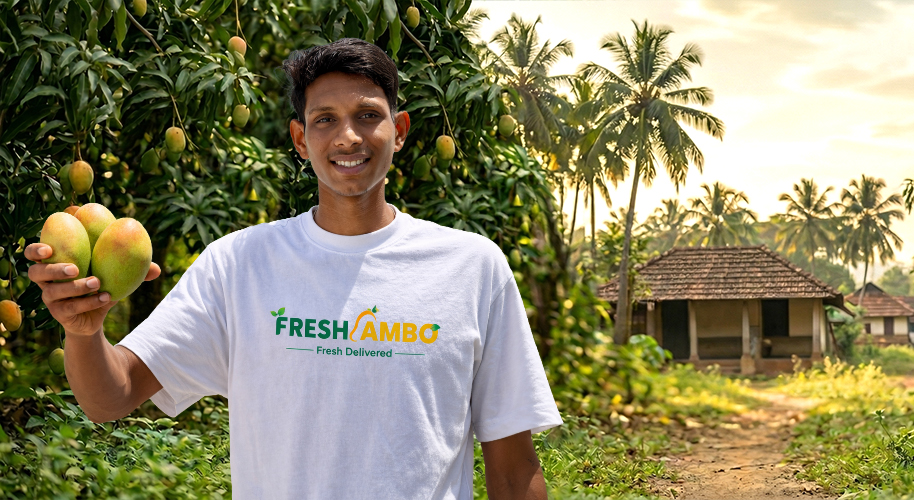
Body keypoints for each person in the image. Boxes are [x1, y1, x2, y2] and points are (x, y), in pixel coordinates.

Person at [25, 38, 560, 500]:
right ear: (301, 140)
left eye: (368, 115)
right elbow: (110, 397)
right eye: (325, 119)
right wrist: (83, 329)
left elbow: (514, 467)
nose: (347, 136)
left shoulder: (472, 267)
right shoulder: (237, 265)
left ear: (399, 130)